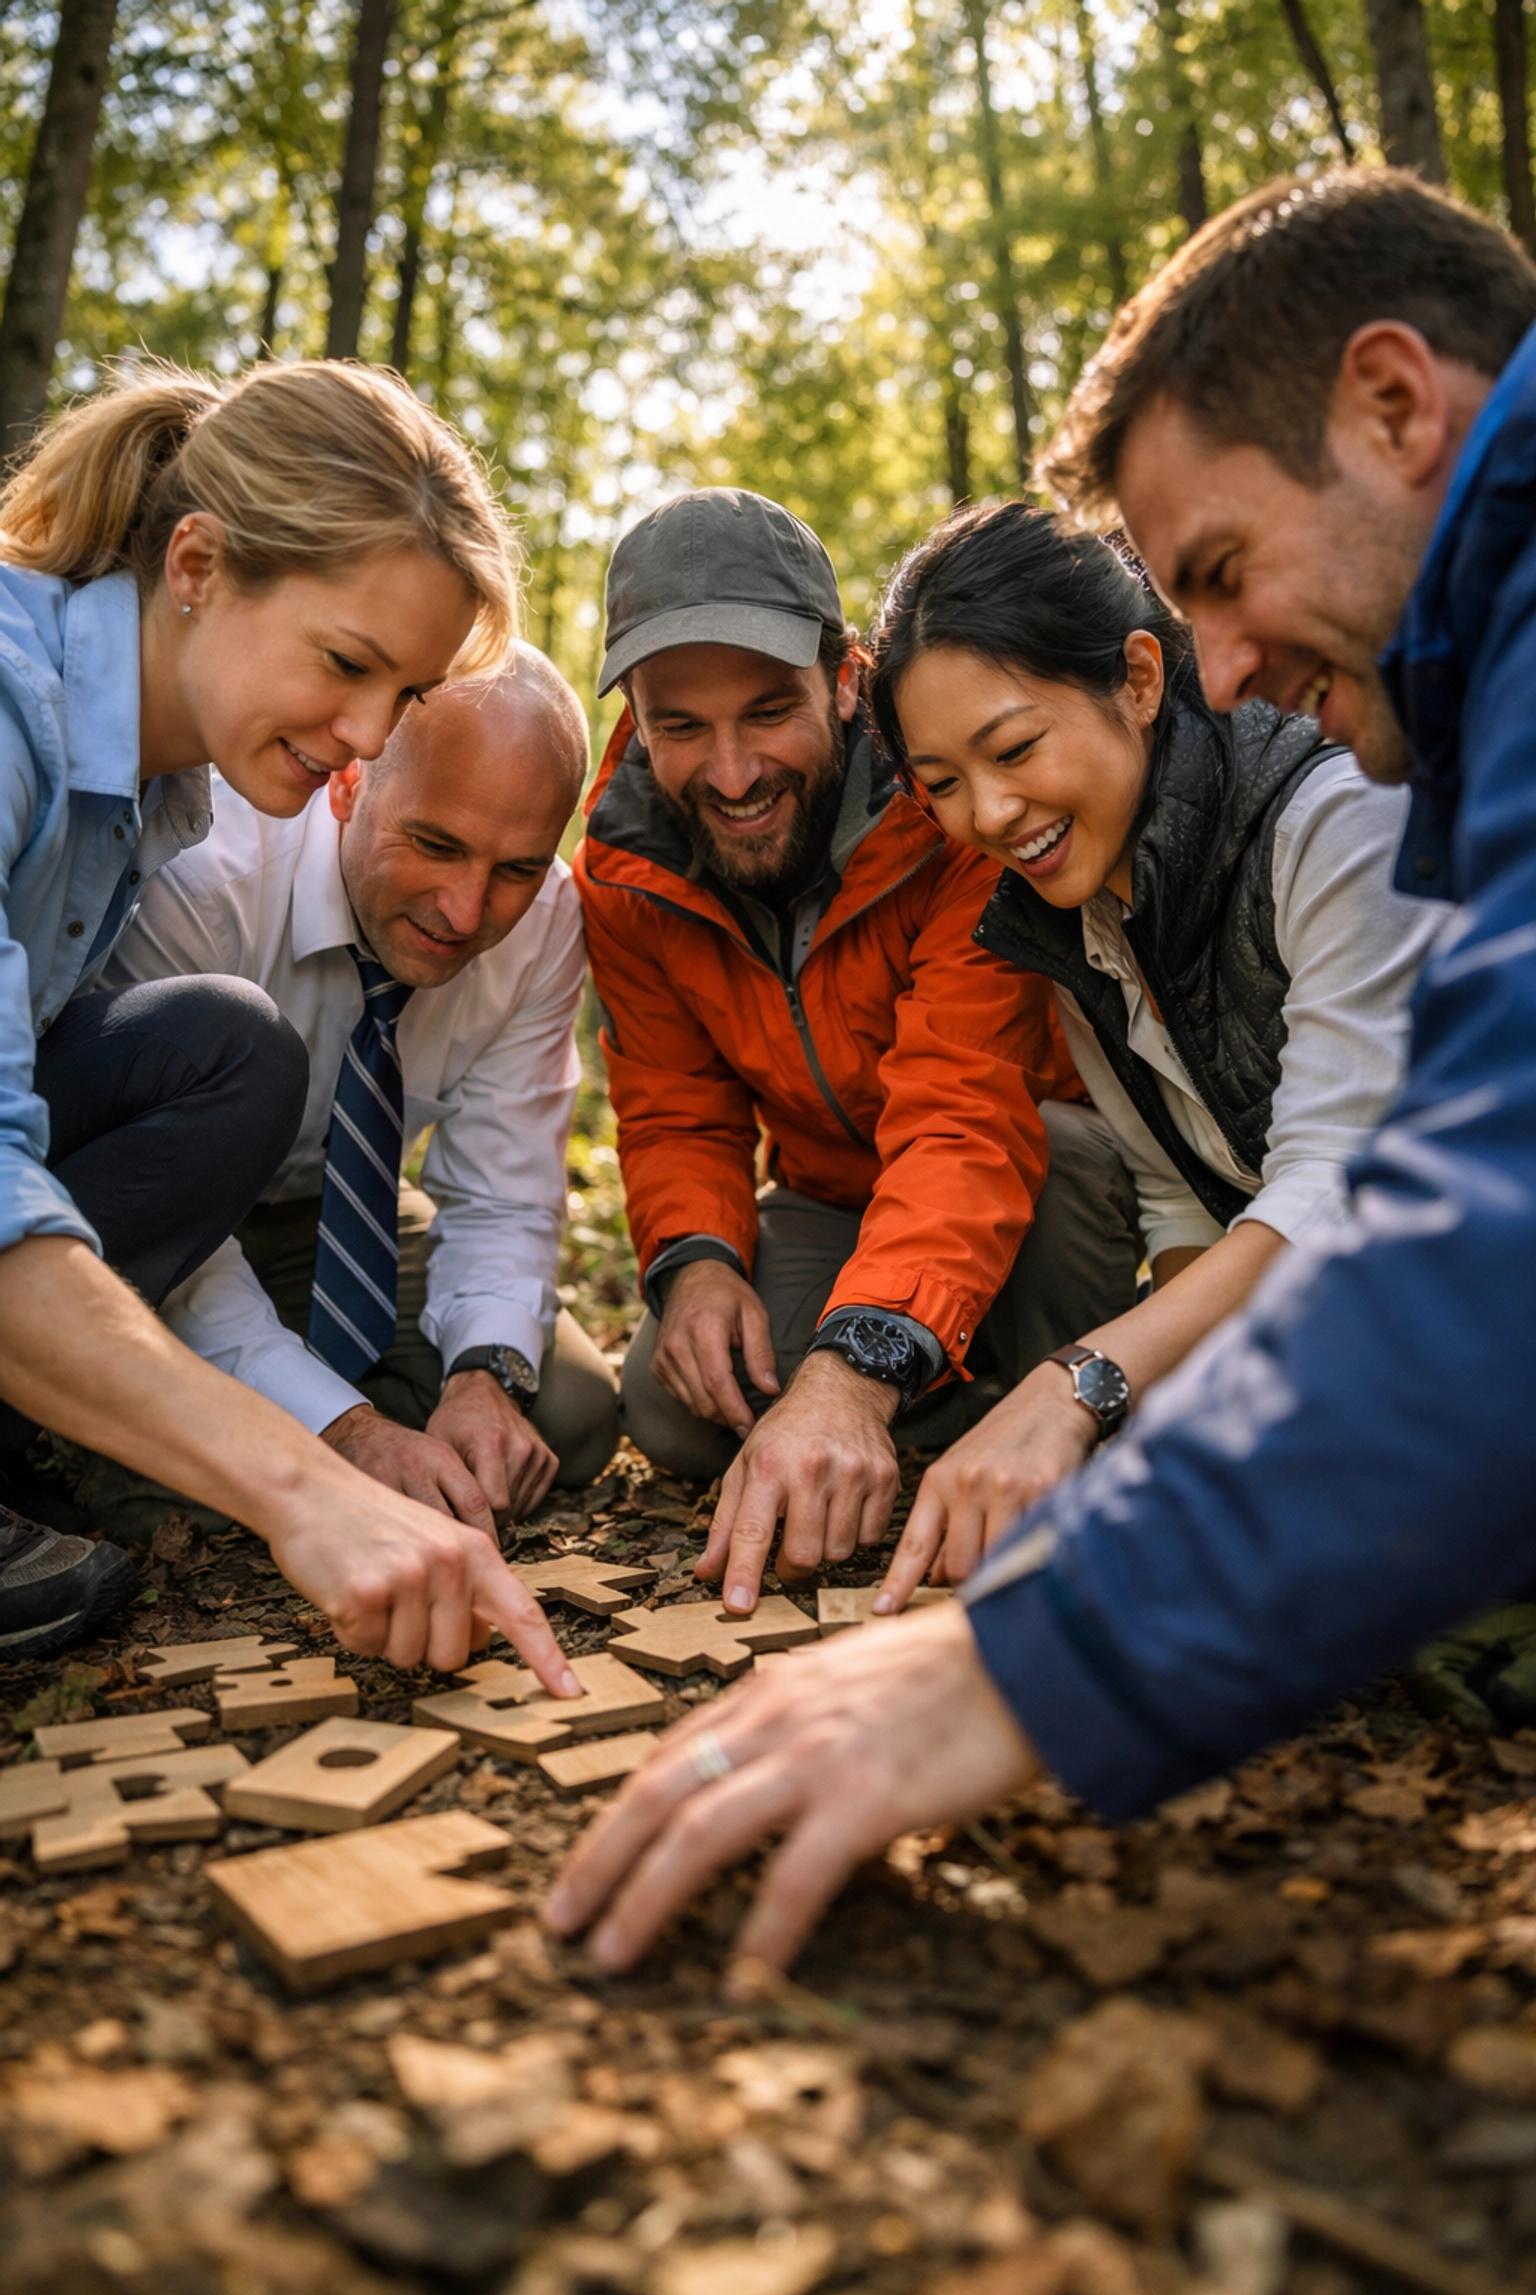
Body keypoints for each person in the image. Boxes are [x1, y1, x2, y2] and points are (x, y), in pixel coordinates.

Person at [546, 166, 1536, 1978]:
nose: (1236, 661)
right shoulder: (1055, 894)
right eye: (945, 782)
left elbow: (1419, 1207)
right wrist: (690, 1258)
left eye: (1220, 571)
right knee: (692, 1410)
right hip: (888, 1217)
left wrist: (1034, 1495)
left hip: (1028, 1244)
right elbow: (679, 1106)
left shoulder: (1326, 803)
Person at [0, 355, 577, 1696]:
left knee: (217, 1051)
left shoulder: (152, 795)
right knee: (233, 1044)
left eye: (403, 693)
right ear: (197, 565)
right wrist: (309, 1483)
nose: (367, 735)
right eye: (346, 663)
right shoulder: (18, 718)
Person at [868, 504, 1446, 1609]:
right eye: (940, 783)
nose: (990, 813)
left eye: (1015, 749)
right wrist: (1193, 1417)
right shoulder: (1073, 914)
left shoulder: (1336, 819)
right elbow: (1178, 1199)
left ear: (1138, 679)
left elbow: (1339, 1182)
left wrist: (1080, 1384)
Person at [577, 486, 1143, 1611]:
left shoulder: (952, 807)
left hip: (1022, 1173)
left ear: (842, 677)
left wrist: (854, 1374)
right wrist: (696, 1262)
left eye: (767, 712)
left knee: (1060, 1153)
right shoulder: (625, 864)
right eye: (680, 727)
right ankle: (955, 1403)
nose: (731, 773)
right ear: (636, 716)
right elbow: (676, 1104)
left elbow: (963, 1110)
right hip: (835, 1198)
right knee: (670, 1402)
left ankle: (1043, 1403)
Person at [88, 644, 618, 1543]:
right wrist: (346, 1431)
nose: (466, 911)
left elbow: (502, 1190)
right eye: (436, 845)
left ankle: (300, 1413)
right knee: (206, 1491)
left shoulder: (546, 922)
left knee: (564, 1411)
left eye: (518, 869)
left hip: (338, 1215)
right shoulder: (201, 876)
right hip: (160, 1224)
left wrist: (484, 1379)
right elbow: (152, 1209)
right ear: (346, 784)